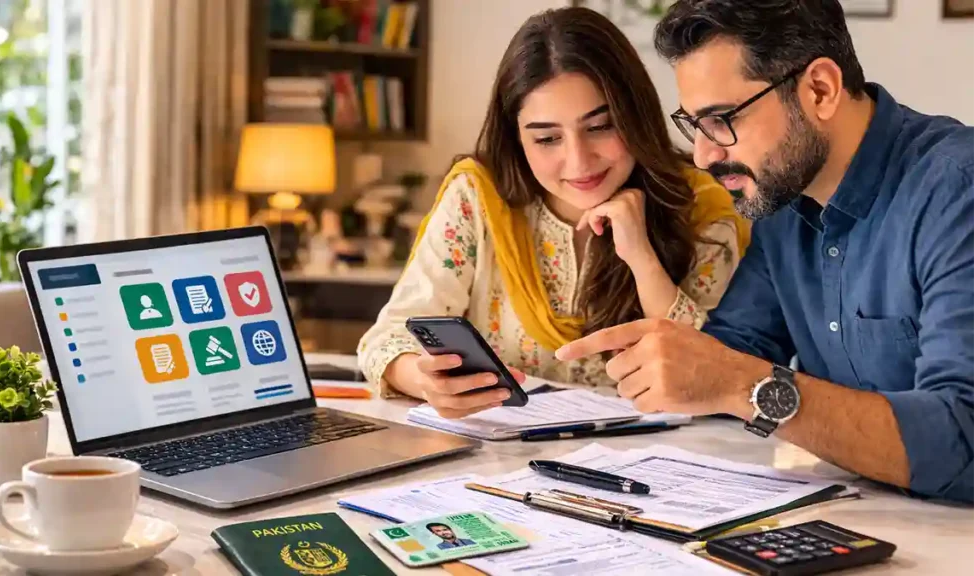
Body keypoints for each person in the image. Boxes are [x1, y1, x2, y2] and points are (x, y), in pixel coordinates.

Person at [556, 0, 974, 504]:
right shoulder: (781, 202)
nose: (705, 155)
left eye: (721, 120)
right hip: (870, 520)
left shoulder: (956, 191)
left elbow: (961, 441)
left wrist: (741, 385)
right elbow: (729, 359)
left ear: (820, 89)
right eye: (695, 126)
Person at [357, 7, 750, 418]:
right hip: (503, 463)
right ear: (517, 138)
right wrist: (424, 380)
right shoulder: (478, 197)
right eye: (547, 138)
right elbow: (386, 340)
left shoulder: (702, 205)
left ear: (636, 115)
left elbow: (716, 372)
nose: (579, 162)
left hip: (665, 465)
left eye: (600, 127)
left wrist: (641, 258)